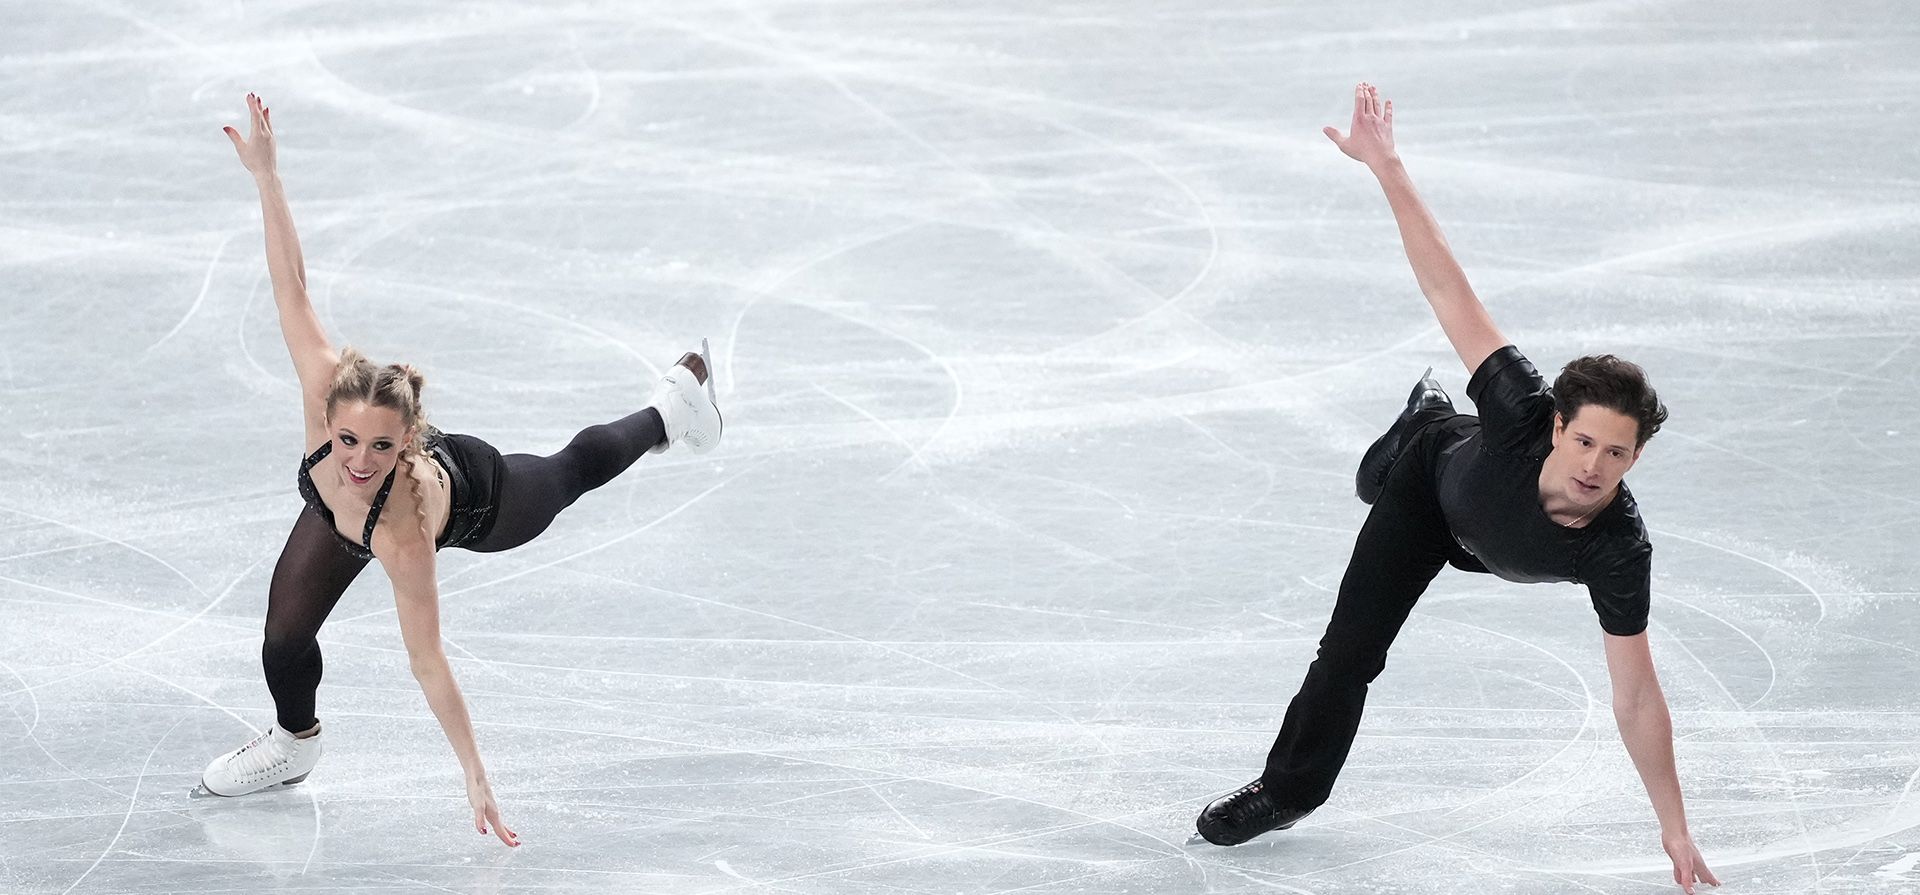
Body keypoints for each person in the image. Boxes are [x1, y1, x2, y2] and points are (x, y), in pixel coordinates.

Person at [1194, 84, 1719, 894]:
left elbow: (1638, 697)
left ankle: (1425, 413)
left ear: (1635, 456)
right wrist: (1387, 167)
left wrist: (1674, 826)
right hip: (1430, 491)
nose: (1593, 464)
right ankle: (1288, 789)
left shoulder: (1618, 548)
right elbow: (1448, 288)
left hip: (1489, 542)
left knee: (1412, 512)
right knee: (1351, 646)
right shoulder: (1519, 405)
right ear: (1558, 426)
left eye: (1616, 453)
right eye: (1584, 440)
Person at [198, 94, 723, 848]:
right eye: (347, 440)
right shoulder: (325, 390)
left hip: (477, 498)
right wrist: (267, 177)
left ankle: (671, 409)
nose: (359, 461)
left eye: (381, 447)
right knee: (283, 636)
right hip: (351, 515)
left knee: (571, 471)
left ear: (408, 439)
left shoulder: (405, 534)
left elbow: (428, 662)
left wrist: (474, 772)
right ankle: (294, 741)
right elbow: (292, 287)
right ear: (330, 415)